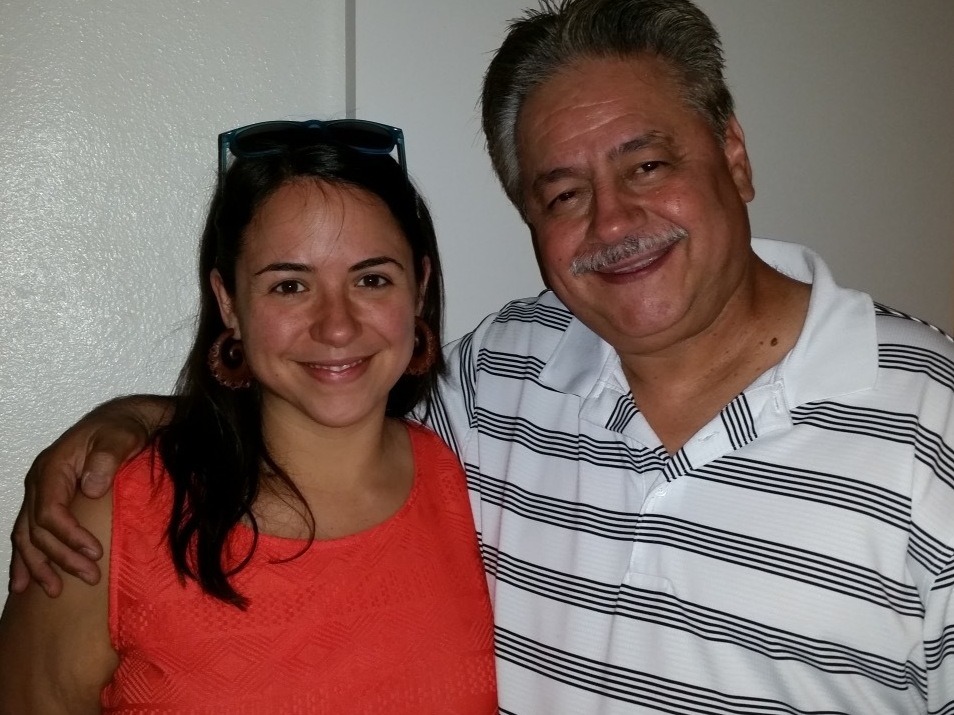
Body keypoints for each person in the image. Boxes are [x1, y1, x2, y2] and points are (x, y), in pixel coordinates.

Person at [9, 0, 954, 712]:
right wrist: (131, 425)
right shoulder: (501, 380)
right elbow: (324, 401)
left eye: (647, 164)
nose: (614, 221)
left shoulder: (933, 425)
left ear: (735, 155)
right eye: (562, 192)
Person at [0, 119, 497, 713]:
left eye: (371, 279)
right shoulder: (109, 514)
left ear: (419, 287)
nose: (337, 326)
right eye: (289, 286)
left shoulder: (476, 482)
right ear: (228, 301)